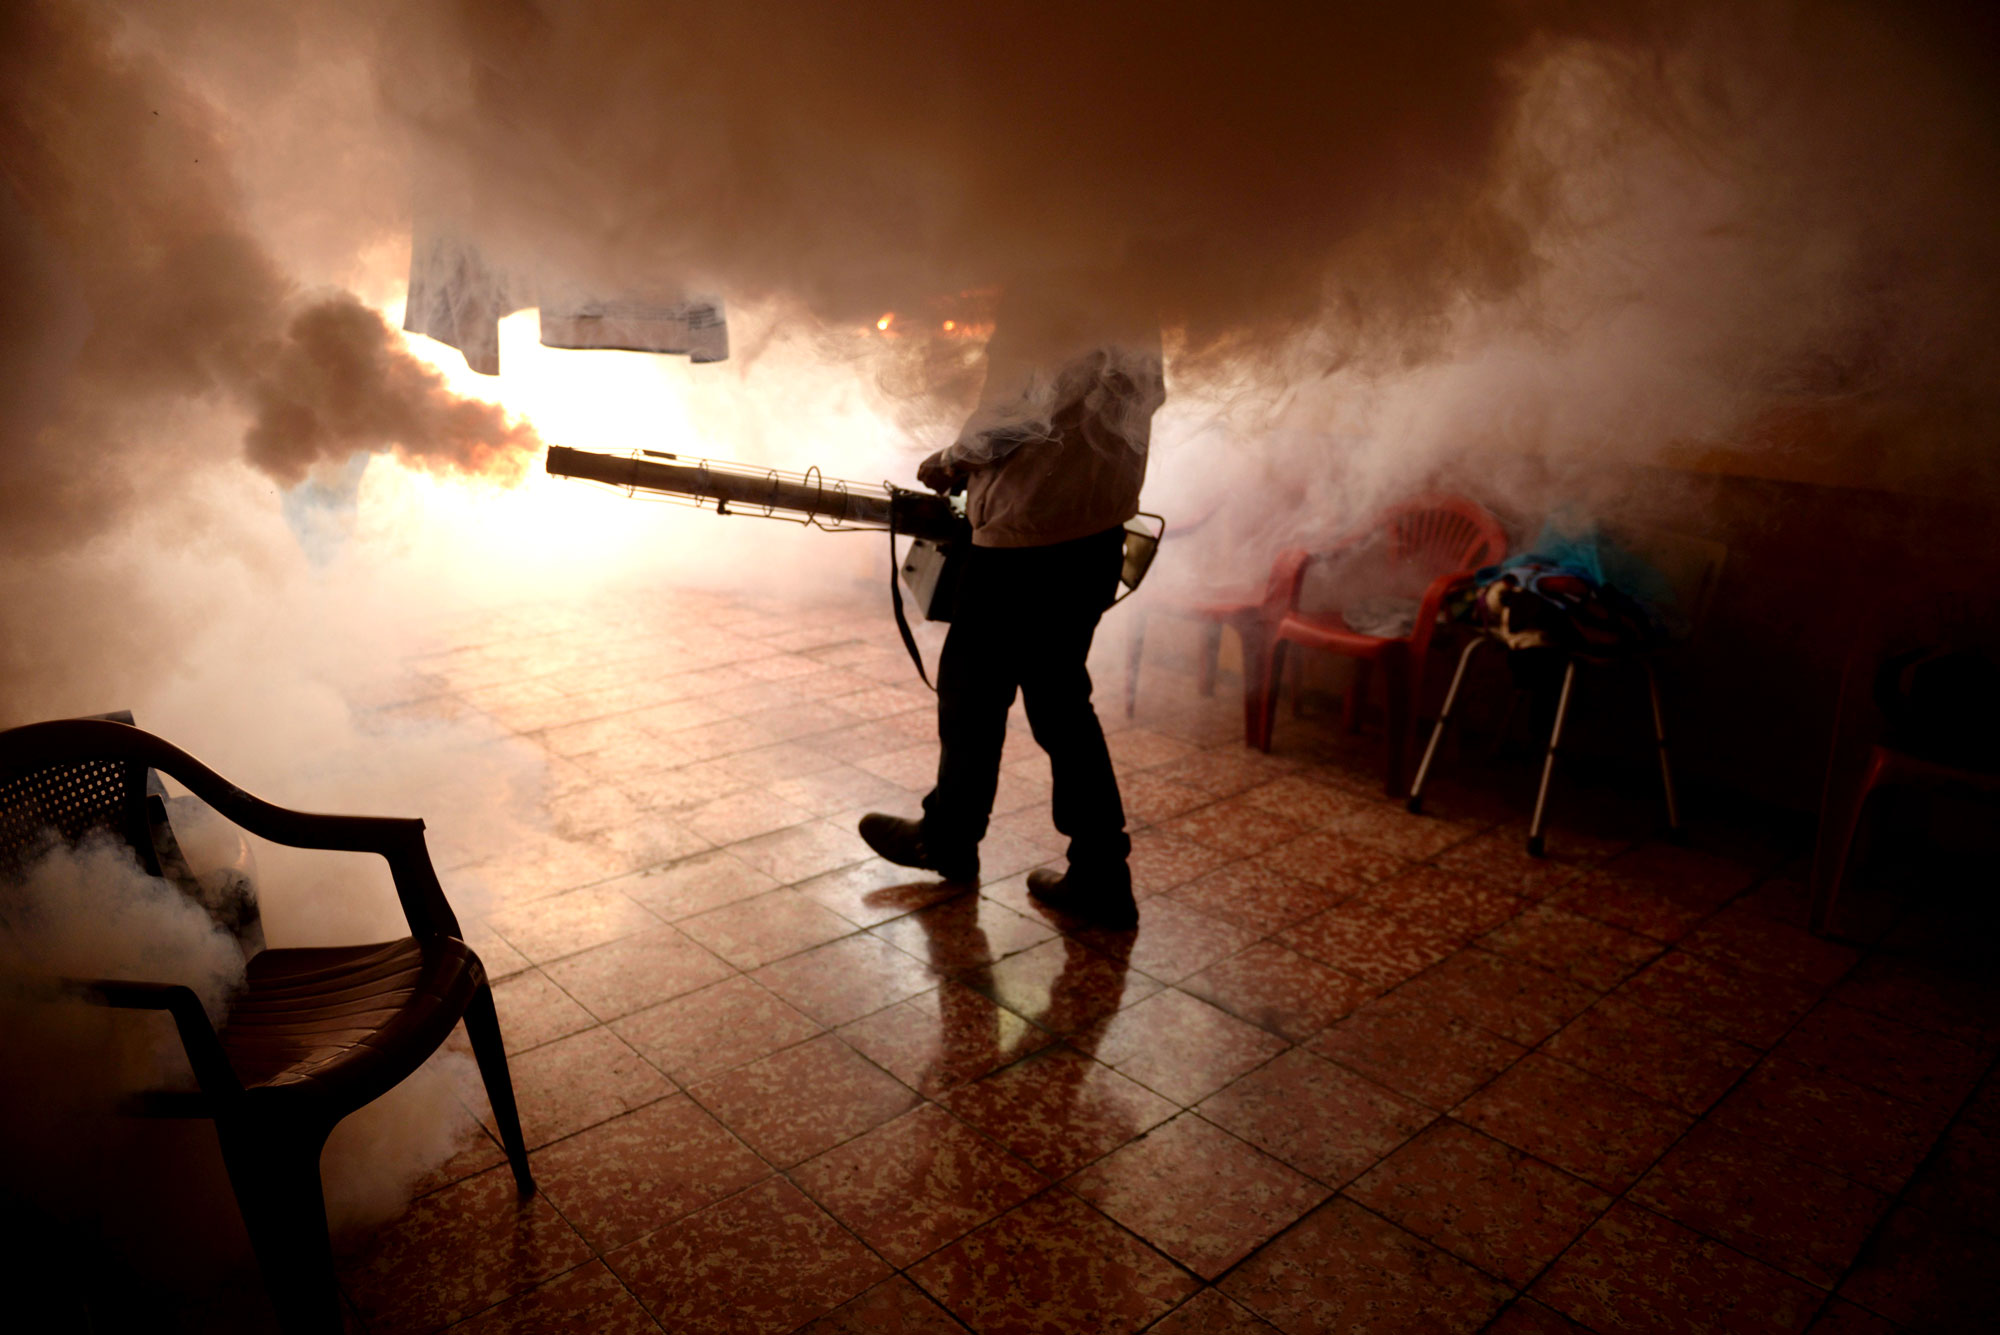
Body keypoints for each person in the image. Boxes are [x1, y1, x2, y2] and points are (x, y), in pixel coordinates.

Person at [859, 305, 1164, 930]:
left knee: (975, 695)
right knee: (1058, 700)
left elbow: (1018, 415)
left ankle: (950, 838)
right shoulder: (1136, 298)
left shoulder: (1049, 292)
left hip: (1028, 537)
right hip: (1094, 533)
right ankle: (1100, 868)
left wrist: (950, 459)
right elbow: (1144, 399)